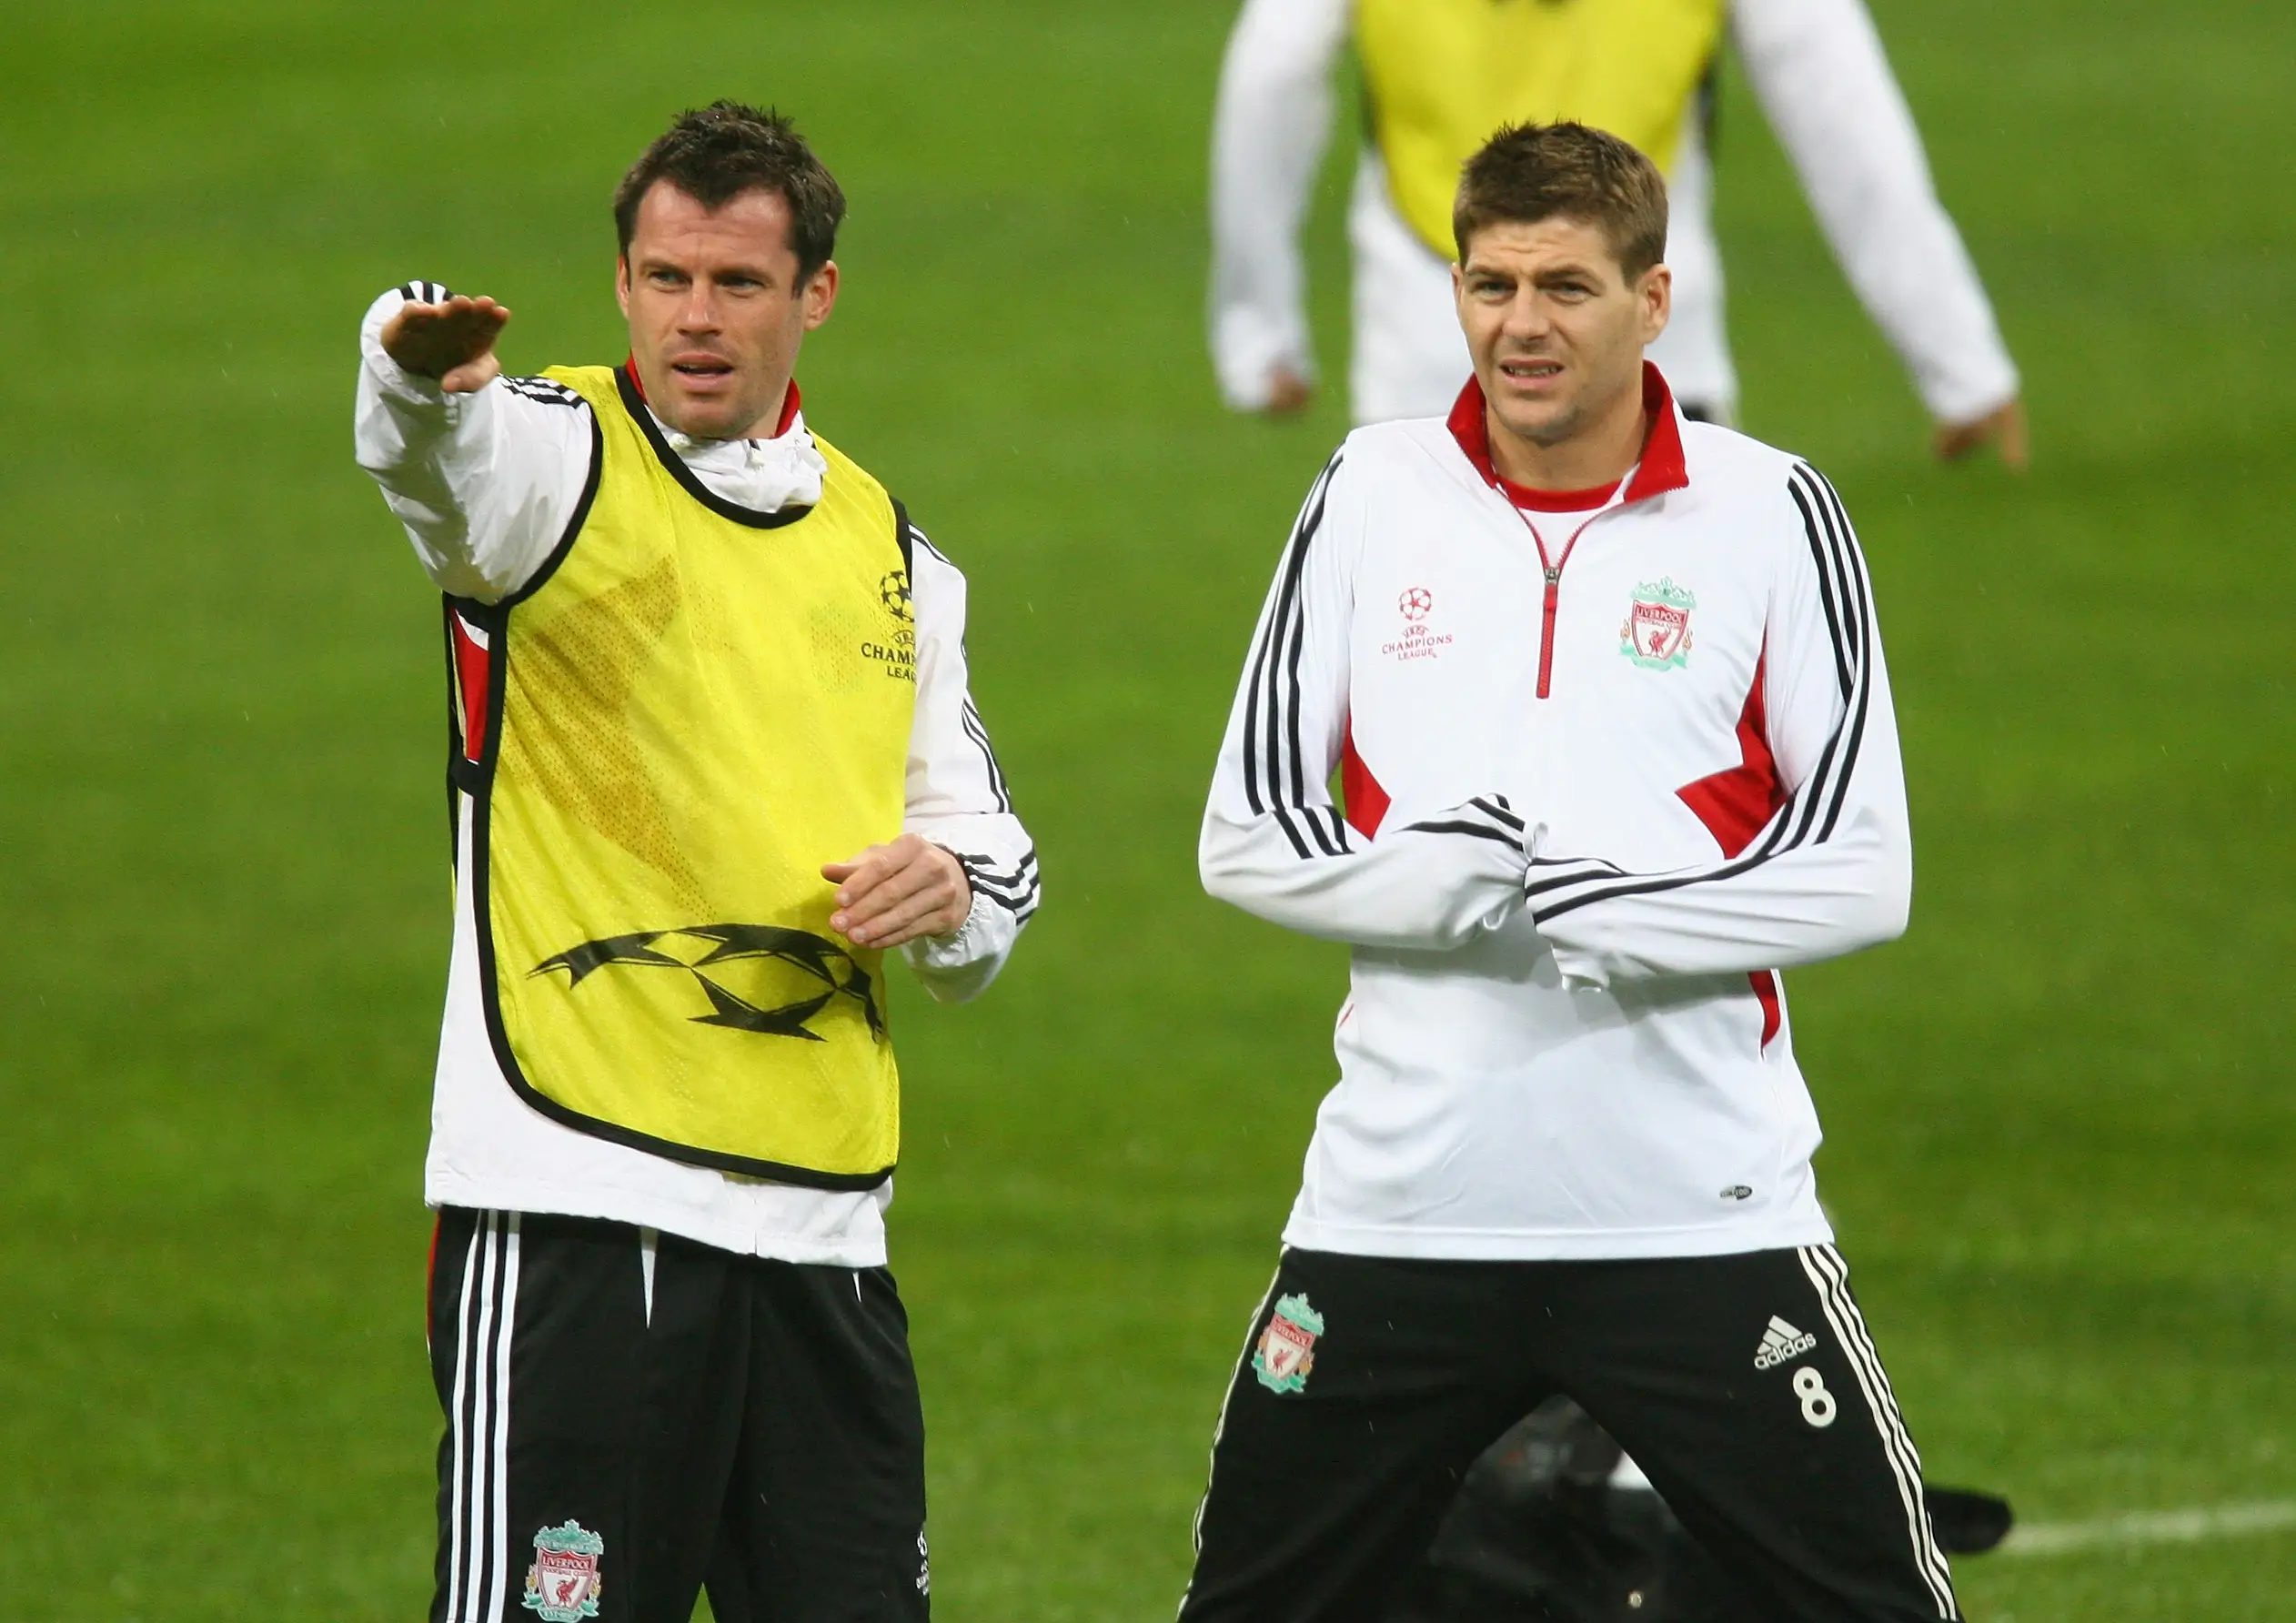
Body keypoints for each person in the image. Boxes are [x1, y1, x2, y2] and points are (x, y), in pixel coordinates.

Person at [1183, 122, 1957, 1622]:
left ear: (1653, 299)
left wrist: (1627, 916)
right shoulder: (1370, 489)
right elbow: (1246, 832)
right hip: (1401, 1211)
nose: (1520, 325)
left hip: (1696, 1214)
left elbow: (1863, 868)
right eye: (1489, 284)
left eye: (1565, 287)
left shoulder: (1769, 511)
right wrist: (1425, 888)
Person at [353, 102, 1038, 1623]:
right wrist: (409, 369)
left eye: (737, 283)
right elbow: (432, 463)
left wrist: (951, 891)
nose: (696, 318)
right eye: (665, 278)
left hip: (822, 1229)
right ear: (621, 283)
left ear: (816, 295)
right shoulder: (548, 463)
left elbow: (988, 849)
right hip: (578, 1199)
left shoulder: (893, 553)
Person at [1209, 0, 2027, 466]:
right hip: (1656, 374)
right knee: (1670, 693)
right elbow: (1841, 111)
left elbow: (1271, 75)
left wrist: (1260, 335)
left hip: (1430, 383)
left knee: (1434, 698)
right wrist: (1957, 357)